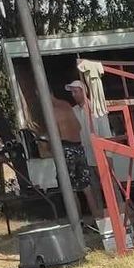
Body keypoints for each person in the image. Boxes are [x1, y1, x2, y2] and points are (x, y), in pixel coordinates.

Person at [48, 87, 102, 220]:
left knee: (69, 188)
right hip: (78, 146)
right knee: (86, 187)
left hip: (66, 148)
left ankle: (77, 223)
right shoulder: (66, 105)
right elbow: (78, 126)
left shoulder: (50, 111)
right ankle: (97, 219)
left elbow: (54, 134)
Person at [64, 80, 107, 219]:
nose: (73, 95)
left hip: (99, 152)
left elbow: (105, 132)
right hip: (85, 154)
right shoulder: (74, 111)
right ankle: (100, 218)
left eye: (76, 91)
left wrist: (109, 154)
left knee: (108, 185)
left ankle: (118, 212)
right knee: (93, 188)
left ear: (84, 91)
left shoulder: (96, 108)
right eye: (72, 92)